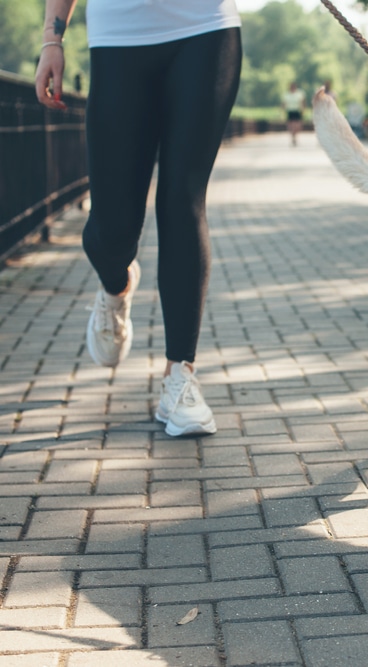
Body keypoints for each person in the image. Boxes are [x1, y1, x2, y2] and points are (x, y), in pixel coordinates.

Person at [35, 0, 242, 437]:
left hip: (206, 28)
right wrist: (53, 38)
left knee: (183, 199)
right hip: (120, 38)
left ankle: (179, 376)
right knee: (113, 228)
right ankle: (117, 283)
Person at [281, 81, 306, 146]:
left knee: (297, 126)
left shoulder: (299, 94)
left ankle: (295, 136)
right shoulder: (287, 94)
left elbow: (302, 102)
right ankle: (293, 137)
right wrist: (282, 110)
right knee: (291, 126)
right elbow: (284, 103)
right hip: (290, 111)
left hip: (297, 111)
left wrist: (303, 109)